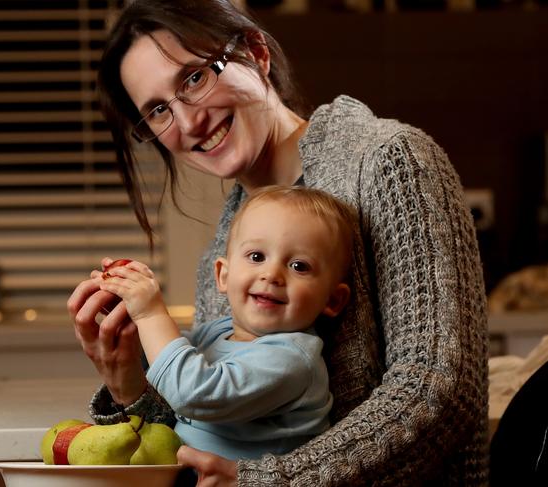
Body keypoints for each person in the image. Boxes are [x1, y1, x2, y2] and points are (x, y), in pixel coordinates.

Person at [67, 0, 489, 485]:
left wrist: (270, 481)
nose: (188, 124)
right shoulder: (221, 260)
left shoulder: (388, 163)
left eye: (194, 79)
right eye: (159, 110)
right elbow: (217, 435)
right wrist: (126, 383)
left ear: (255, 52)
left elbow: (437, 393)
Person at [97, 186, 354, 460]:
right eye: (257, 257)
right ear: (223, 275)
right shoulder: (216, 333)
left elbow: (191, 392)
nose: (272, 274)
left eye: (299, 266)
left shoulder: (293, 359)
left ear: (333, 300)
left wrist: (151, 315)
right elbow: (161, 373)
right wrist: (129, 326)